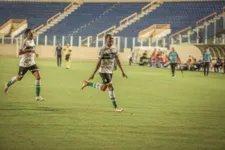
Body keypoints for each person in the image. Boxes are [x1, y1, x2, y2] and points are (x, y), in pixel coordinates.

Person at [81, 34, 127, 112]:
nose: (111, 41)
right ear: (106, 40)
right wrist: (93, 73)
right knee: (111, 87)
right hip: (103, 71)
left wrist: (122, 71)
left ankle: (87, 83)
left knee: (103, 88)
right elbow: (99, 62)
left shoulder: (114, 49)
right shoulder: (102, 49)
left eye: (112, 40)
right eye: (110, 40)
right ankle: (116, 107)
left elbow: (117, 60)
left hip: (110, 71)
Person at [4, 29, 44, 101]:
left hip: (32, 62)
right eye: (31, 33)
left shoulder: (33, 40)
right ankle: (7, 84)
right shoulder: (24, 42)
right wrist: (29, 50)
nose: (32, 34)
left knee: (38, 77)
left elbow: (32, 49)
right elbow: (19, 53)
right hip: (24, 63)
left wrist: (35, 53)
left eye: (32, 33)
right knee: (19, 78)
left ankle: (37, 96)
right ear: (27, 34)